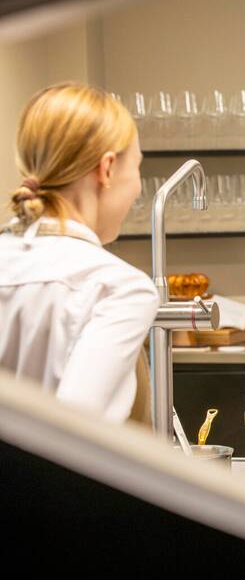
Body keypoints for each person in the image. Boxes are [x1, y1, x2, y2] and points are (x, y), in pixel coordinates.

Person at [0, 82, 159, 424]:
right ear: (107, 169)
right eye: (137, 168)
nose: (136, 187)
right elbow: (77, 438)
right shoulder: (118, 288)